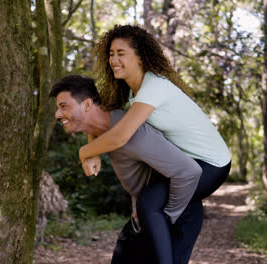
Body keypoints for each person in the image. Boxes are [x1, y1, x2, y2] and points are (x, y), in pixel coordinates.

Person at [77, 25, 232, 264]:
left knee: (149, 204)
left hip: (212, 163)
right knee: (146, 208)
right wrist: (93, 150)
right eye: (110, 54)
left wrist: (85, 152)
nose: (113, 60)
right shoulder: (131, 94)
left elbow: (120, 136)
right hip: (185, 162)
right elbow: (100, 118)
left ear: (140, 56)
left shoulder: (154, 87)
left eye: (121, 53)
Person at [50, 75, 229, 264]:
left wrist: (167, 216)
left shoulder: (131, 133)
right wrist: (89, 150)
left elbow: (188, 172)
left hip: (173, 214)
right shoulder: (107, 127)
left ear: (86, 105)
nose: (57, 114)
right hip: (144, 217)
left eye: (63, 106)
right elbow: (95, 125)